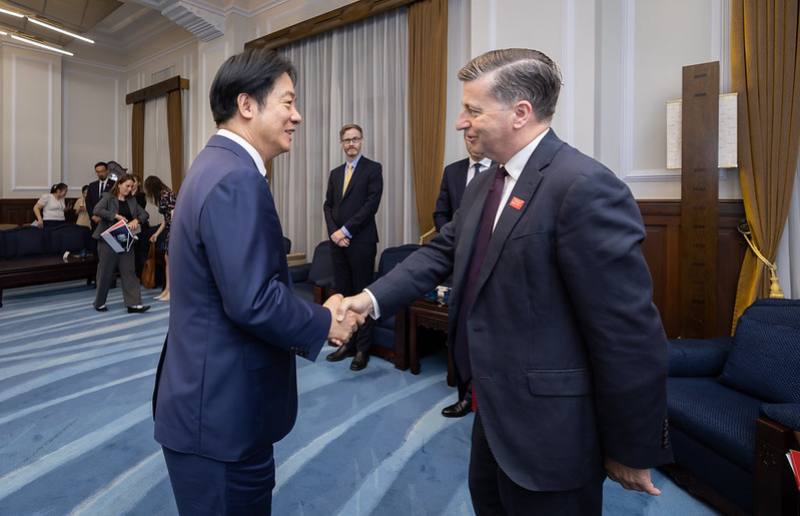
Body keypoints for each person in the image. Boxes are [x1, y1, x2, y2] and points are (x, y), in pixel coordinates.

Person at [338, 48, 672, 515]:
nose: (460, 122)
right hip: (493, 413)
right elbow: (440, 252)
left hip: (553, 432)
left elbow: (627, 331)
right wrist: (368, 299)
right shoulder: (483, 184)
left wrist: (632, 445)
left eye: (472, 110)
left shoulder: (584, 186)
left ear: (520, 113)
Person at [152, 48, 361, 516]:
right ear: (248, 105)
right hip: (221, 416)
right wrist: (323, 320)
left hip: (206, 400)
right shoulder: (236, 179)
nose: (298, 116)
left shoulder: (212, 166)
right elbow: (253, 301)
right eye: (287, 103)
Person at [433, 133, 492, 418]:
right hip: (458, 262)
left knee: (487, 333)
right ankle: (466, 396)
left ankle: (487, 399)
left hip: (492, 264)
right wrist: (457, 243)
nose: (472, 141)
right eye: (467, 138)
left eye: (475, 136)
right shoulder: (452, 171)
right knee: (461, 332)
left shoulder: (500, 171)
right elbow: (440, 213)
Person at [322, 123, 383, 371]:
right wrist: (334, 234)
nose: (351, 144)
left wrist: (346, 230)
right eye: (346, 140)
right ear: (341, 143)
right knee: (343, 295)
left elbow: (371, 205)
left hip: (362, 243)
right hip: (338, 244)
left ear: (362, 141)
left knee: (361, 297)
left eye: (355, 139)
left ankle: (362, 350)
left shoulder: (373, 169)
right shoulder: (335, 173)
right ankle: (346, 344)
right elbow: (328, 205)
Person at [92, 173, 150, 313]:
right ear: (119, 184)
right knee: (105, 272)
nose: (129, 189)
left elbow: (144, 214)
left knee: (129, 271)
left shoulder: (132, 201)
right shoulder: (108, 197)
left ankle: (134, 304)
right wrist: (116, 216)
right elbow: (97, 210)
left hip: (125, 240)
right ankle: (99, 303)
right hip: (108, 239)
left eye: (131, 186)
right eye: (127, 186)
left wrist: (137, 220)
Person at [433, 132, 492, 232]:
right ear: (464, 139)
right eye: (470, 137)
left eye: (479, 137)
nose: (474, 142)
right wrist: (449, 238)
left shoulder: (502, 169)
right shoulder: (451, 171)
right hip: (455, 241)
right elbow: (441, 213)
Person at [144, 176, 176, 301]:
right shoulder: (163, 195)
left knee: (170, 262)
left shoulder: (167, 195)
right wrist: (156, 234)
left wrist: (173, 232)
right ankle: (167, 290)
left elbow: (174, 214)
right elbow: (165, 220)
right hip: (169, 230)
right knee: (167, 260)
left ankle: (171, 291)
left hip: (174, 230)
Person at [86, 161, 115, 230]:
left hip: (108, 221)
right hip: (94, 221)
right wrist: (92, 216)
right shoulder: (92, 185)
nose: (100, 174)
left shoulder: (114, 185)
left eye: (102, 171)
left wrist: (103, 217)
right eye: (98, 172)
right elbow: (88, 202)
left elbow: (115, 203)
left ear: (107, 171)